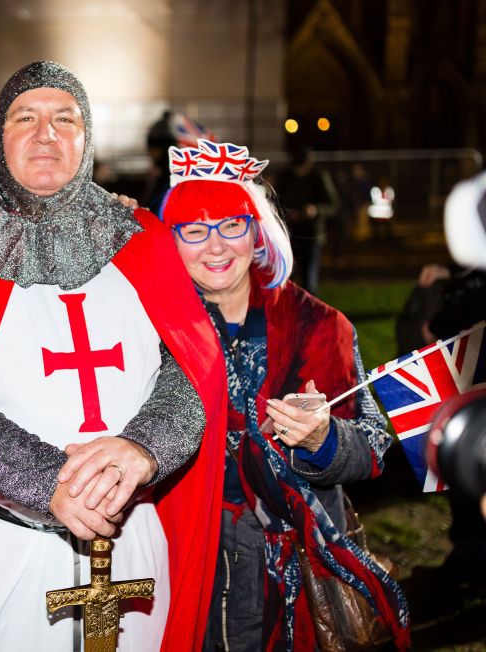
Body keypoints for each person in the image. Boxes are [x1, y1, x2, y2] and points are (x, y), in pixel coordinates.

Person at [0, 61, 227, 651]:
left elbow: (193, 368)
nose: (46, 134)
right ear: (0, 137)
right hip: (4, 546)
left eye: (64, 119)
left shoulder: (144, 239)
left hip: (132, 540)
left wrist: (143, 448)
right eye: (26, 118)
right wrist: (45, 481)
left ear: (87, 136)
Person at [159, 139, 410, 650]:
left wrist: (322, 437)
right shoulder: (150, 326)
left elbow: (374, 446)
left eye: (232, 225)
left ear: (256, 232)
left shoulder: (319, 326)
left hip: (291, 559)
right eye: (194, 229)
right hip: (186, 549)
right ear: (172, 240)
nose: (215, 246)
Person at [274, 145, 338, 295]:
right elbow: (275, 201)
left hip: (312, 234)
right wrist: (286, 212)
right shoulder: (286, 177)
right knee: (286, 278)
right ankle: (286, 313)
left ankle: (309, 314)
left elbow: (333, 204)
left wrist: (315, 210)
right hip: (290, 233)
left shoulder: (319, 176)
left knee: (309, 279)